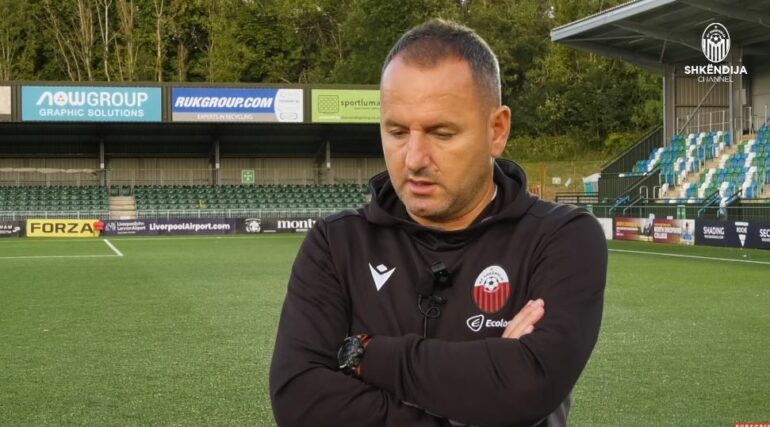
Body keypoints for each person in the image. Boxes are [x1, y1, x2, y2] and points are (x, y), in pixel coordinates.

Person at [270, 19, 607, 427]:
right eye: (397, 132)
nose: (414, 159)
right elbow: (300, 403)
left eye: (441, 133)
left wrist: (365, 353)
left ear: (497, 130)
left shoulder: (561, 238)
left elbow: (528, 384)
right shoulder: (336, 244)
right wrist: (489, 389)